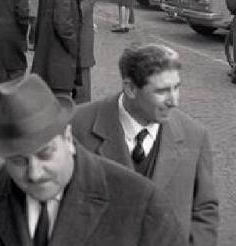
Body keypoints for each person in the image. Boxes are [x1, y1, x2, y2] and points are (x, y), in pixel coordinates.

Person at [0, 74, 187, 246]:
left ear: (67, 137)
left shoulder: (140, 203)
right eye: (18, 161)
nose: (34, 173)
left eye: (45, 153)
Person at [72, 45, 218, 246]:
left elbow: (205, 209)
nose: (174, 101)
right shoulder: (76, 126)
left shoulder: (195, 135)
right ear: (130, 88)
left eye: (177, 87)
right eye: (162, 91)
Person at [31, 0, 82, 98]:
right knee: (60, 98)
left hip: (49, 50)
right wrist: (73, 45)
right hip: (58, 55)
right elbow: (63, 24)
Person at [66, 0, 96, 104]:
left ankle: (82, 104)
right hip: (70, 31)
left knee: (82, 68)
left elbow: (88, 2)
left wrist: (70, 13)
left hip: (82, 32)